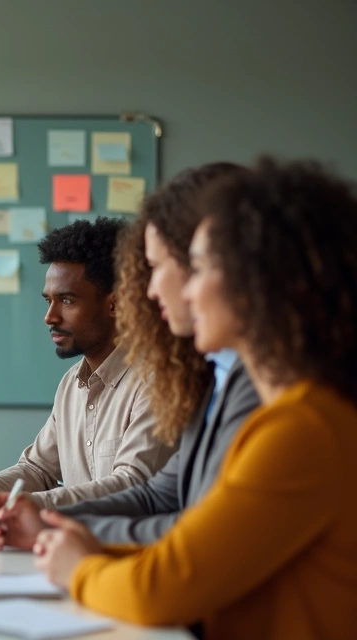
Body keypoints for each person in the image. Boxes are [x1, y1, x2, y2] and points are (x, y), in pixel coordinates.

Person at [34, 158, 357, 638]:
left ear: (260, 284)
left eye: (199, 267)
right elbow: (181, 528)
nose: (166, 288)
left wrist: (77, 567)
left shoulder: (304, 429)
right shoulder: (288, 411)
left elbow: (162, 585)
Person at [0, 163, 261, 549]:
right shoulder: (220, 377)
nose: (152, 289)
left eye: (162, 268)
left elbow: (199, 537)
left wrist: (53, 532)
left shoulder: (255, 391)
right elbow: (156, 495)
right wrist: (34, 518)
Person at [0, 218, 173, 516]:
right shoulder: (72, 383)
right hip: (69, 549)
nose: (50, 317)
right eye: (48, 300)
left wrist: (0, 504)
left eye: (67, 301)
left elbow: (131, 486)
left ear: (116, 305)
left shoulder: (158, 380)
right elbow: (37, 470)